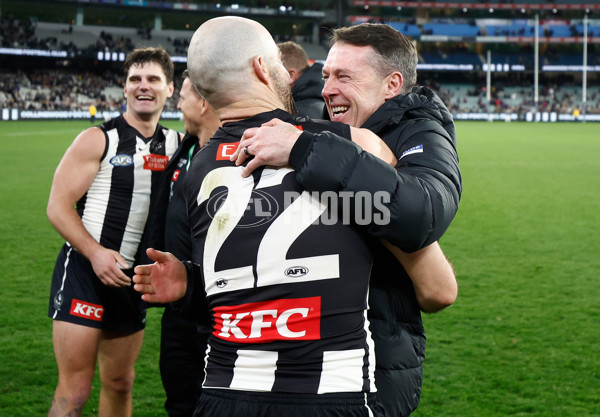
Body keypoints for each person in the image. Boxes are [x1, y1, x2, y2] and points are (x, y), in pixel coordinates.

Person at [133, 16, 424, 417]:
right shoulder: (351, 144)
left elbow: (239, 285)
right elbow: (436, 282)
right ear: (261, 68)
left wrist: (189, 286)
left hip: (223, 392)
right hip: (330, 393)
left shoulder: (195, 171)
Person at [230, 23, 461, 416]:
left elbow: (423, 213)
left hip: (373, 362)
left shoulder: (420, 130)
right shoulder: (332, 128)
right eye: (325, 76)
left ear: (392, 84)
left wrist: (307, 150)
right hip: (302, 349)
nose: (326, 89)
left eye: (344, 77)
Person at [46, 46, 181, 417]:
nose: (143, 86)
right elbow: (57, 206)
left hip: (132, 281)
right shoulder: (97, 139)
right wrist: (95, 253)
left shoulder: (177, 145)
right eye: (135, 79)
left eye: (153, 79)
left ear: (170, 88)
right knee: (74, 392)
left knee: (121, 383)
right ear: (124, 88)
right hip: (85, 274)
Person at [139, 70, 220, 417]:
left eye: (182, 97)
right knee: (179, 404)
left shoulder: (240, 158)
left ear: (203, 103)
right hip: (178, 311)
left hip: (220, 315)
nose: (178, 105)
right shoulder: (183, 154)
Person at [277, 41, 325, 119]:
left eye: (274, 73)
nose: (270, 79)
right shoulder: (318, 104)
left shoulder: (299, 115)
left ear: (291, 75)